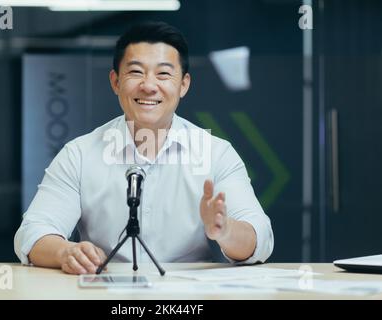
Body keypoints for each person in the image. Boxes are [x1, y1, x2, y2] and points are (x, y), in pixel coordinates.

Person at [14, 21, 274, 275]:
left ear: (183, 85)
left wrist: (225, 229)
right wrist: (64, 252)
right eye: (136, 72)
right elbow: (33, 231)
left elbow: (260, 239)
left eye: (163, 74)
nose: (149, 86)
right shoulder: (79, 154)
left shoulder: (216, 154)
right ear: (115, 82)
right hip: (105, 291)